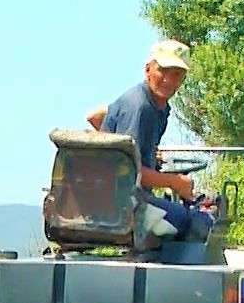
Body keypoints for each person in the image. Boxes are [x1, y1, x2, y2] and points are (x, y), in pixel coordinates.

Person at [84, 39, 212, 240]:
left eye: (176, 74)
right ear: (148, 70)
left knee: (187, 213)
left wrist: (152, 157)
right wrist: (175, 182)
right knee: (195, 221)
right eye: (163, 70)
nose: (169, 80)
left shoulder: (158, 106)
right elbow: (127, 171)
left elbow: (102, 121)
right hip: (122, 202)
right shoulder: (140, 108)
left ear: (183, 79)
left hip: (128, 198)